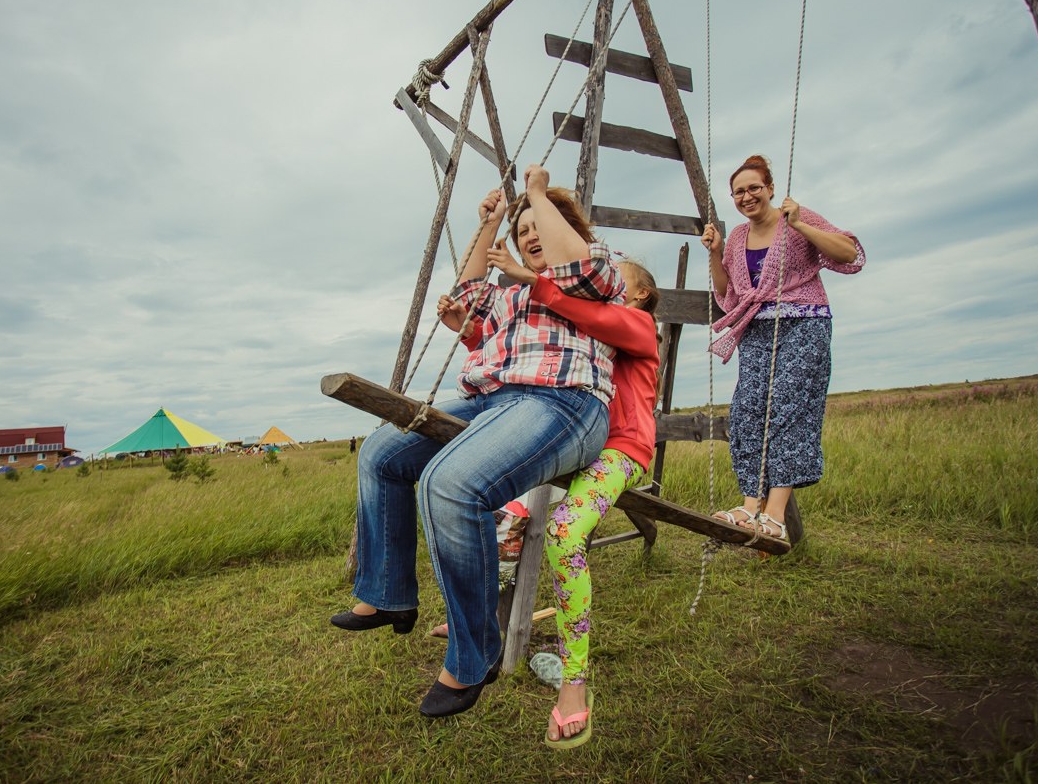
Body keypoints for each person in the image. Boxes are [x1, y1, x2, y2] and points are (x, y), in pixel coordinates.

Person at [330, 164, 623, 719]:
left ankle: (473, 655)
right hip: (494, 398)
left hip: (565, 402)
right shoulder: (511, 294)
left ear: (569, 226)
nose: (530, 236)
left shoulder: (598, 272)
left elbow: (579, 263)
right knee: (382, 455)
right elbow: (466, 290)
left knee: (450, 484)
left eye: (541, 225)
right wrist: (490, 224)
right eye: (524, 232)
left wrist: (536, 195)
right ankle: (388, 594)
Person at [487, 247, 660, 749]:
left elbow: (580, 307)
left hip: (620, 449)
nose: (600, 283)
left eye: (614, 278)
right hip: (575, 438)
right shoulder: (592, 329)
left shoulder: (637, 325)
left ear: (641, 294)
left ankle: (574, 683)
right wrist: (471, 323)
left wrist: (539, 281)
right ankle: (479, 624)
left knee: (564, 533)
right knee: (503, 515)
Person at [701, 154, 865, 542]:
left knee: (787, 406)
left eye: (754, 188)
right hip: (757, 329)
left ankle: (774, 516)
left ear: (770, 189)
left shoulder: (797, 217)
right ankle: (749, 505)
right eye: (738, 192)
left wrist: (802, 225)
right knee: (748, 410)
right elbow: (728, 294)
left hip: (804, 323)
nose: (747, 196)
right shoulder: (739, 237)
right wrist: (715, 251)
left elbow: (849, 254)